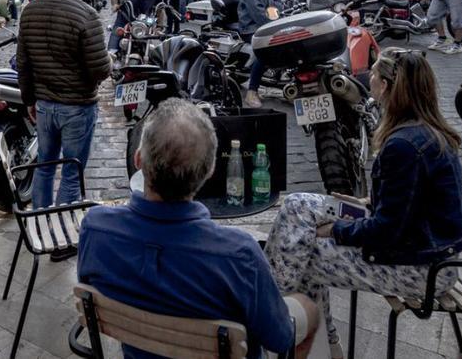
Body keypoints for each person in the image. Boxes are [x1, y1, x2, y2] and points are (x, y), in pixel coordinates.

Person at [266, 48, 462, 358]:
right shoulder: (423, 130)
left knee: (304, 254)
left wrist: (338, 231)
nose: (368, 79)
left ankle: (294, 330)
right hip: (426, 246)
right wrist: (364, 202)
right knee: (295, 204)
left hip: (423, 267)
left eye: (374, 74)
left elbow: (386, 230)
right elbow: (405, 204)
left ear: (388, 86)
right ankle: (295, 324)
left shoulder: (404, 146)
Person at [79, 99, 323, 359]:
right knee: (309, 308)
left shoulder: (95, 227)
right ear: (210, 171)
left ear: (138, 159)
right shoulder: (240, 255)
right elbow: (280, 338)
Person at [17, 0, 110, 222]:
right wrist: (111, 59)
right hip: (77, 107)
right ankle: (60, 231)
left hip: (45, 104)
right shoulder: (87, 14)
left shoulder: (31, 9)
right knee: (72, 171)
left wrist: (29, 99)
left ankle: (41, 223)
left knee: (44, 167)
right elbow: (101, 70)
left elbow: (23, 62)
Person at [240, 0, 285, 108]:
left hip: (267, 24)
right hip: (252, 28)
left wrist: (279, 16)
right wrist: (276, 18)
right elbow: (259, 15)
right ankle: (251, 92)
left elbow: (278, 5)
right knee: (266, 51)